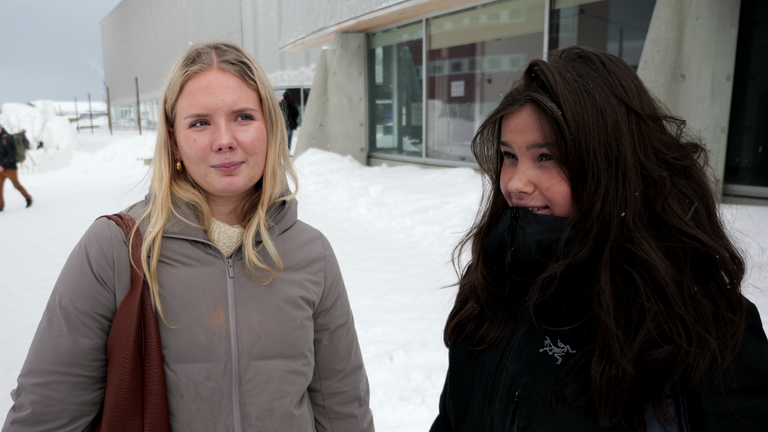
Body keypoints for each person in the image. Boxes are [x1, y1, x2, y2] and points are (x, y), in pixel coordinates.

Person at [3, 42, 374, 431]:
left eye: (244, 116)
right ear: (174, 139)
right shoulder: (117, 249)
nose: (224, 139)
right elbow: (44, 416)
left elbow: (344, 409)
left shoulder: (311, 252)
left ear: (271, 127)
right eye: (200, 122)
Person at [430, 46, 768, 431]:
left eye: (546, 157)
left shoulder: (700, 318)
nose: (516, 183)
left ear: (611, 161)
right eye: (509, 156)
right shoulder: (493, 276)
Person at [0, 125, 33, 211]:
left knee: (16, 185)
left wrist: (3, 166)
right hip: (1, 169)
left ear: (1, 128)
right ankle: (0, 206)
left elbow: (12, 154)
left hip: (10, 168)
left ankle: (28, 198)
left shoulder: (7, 138)